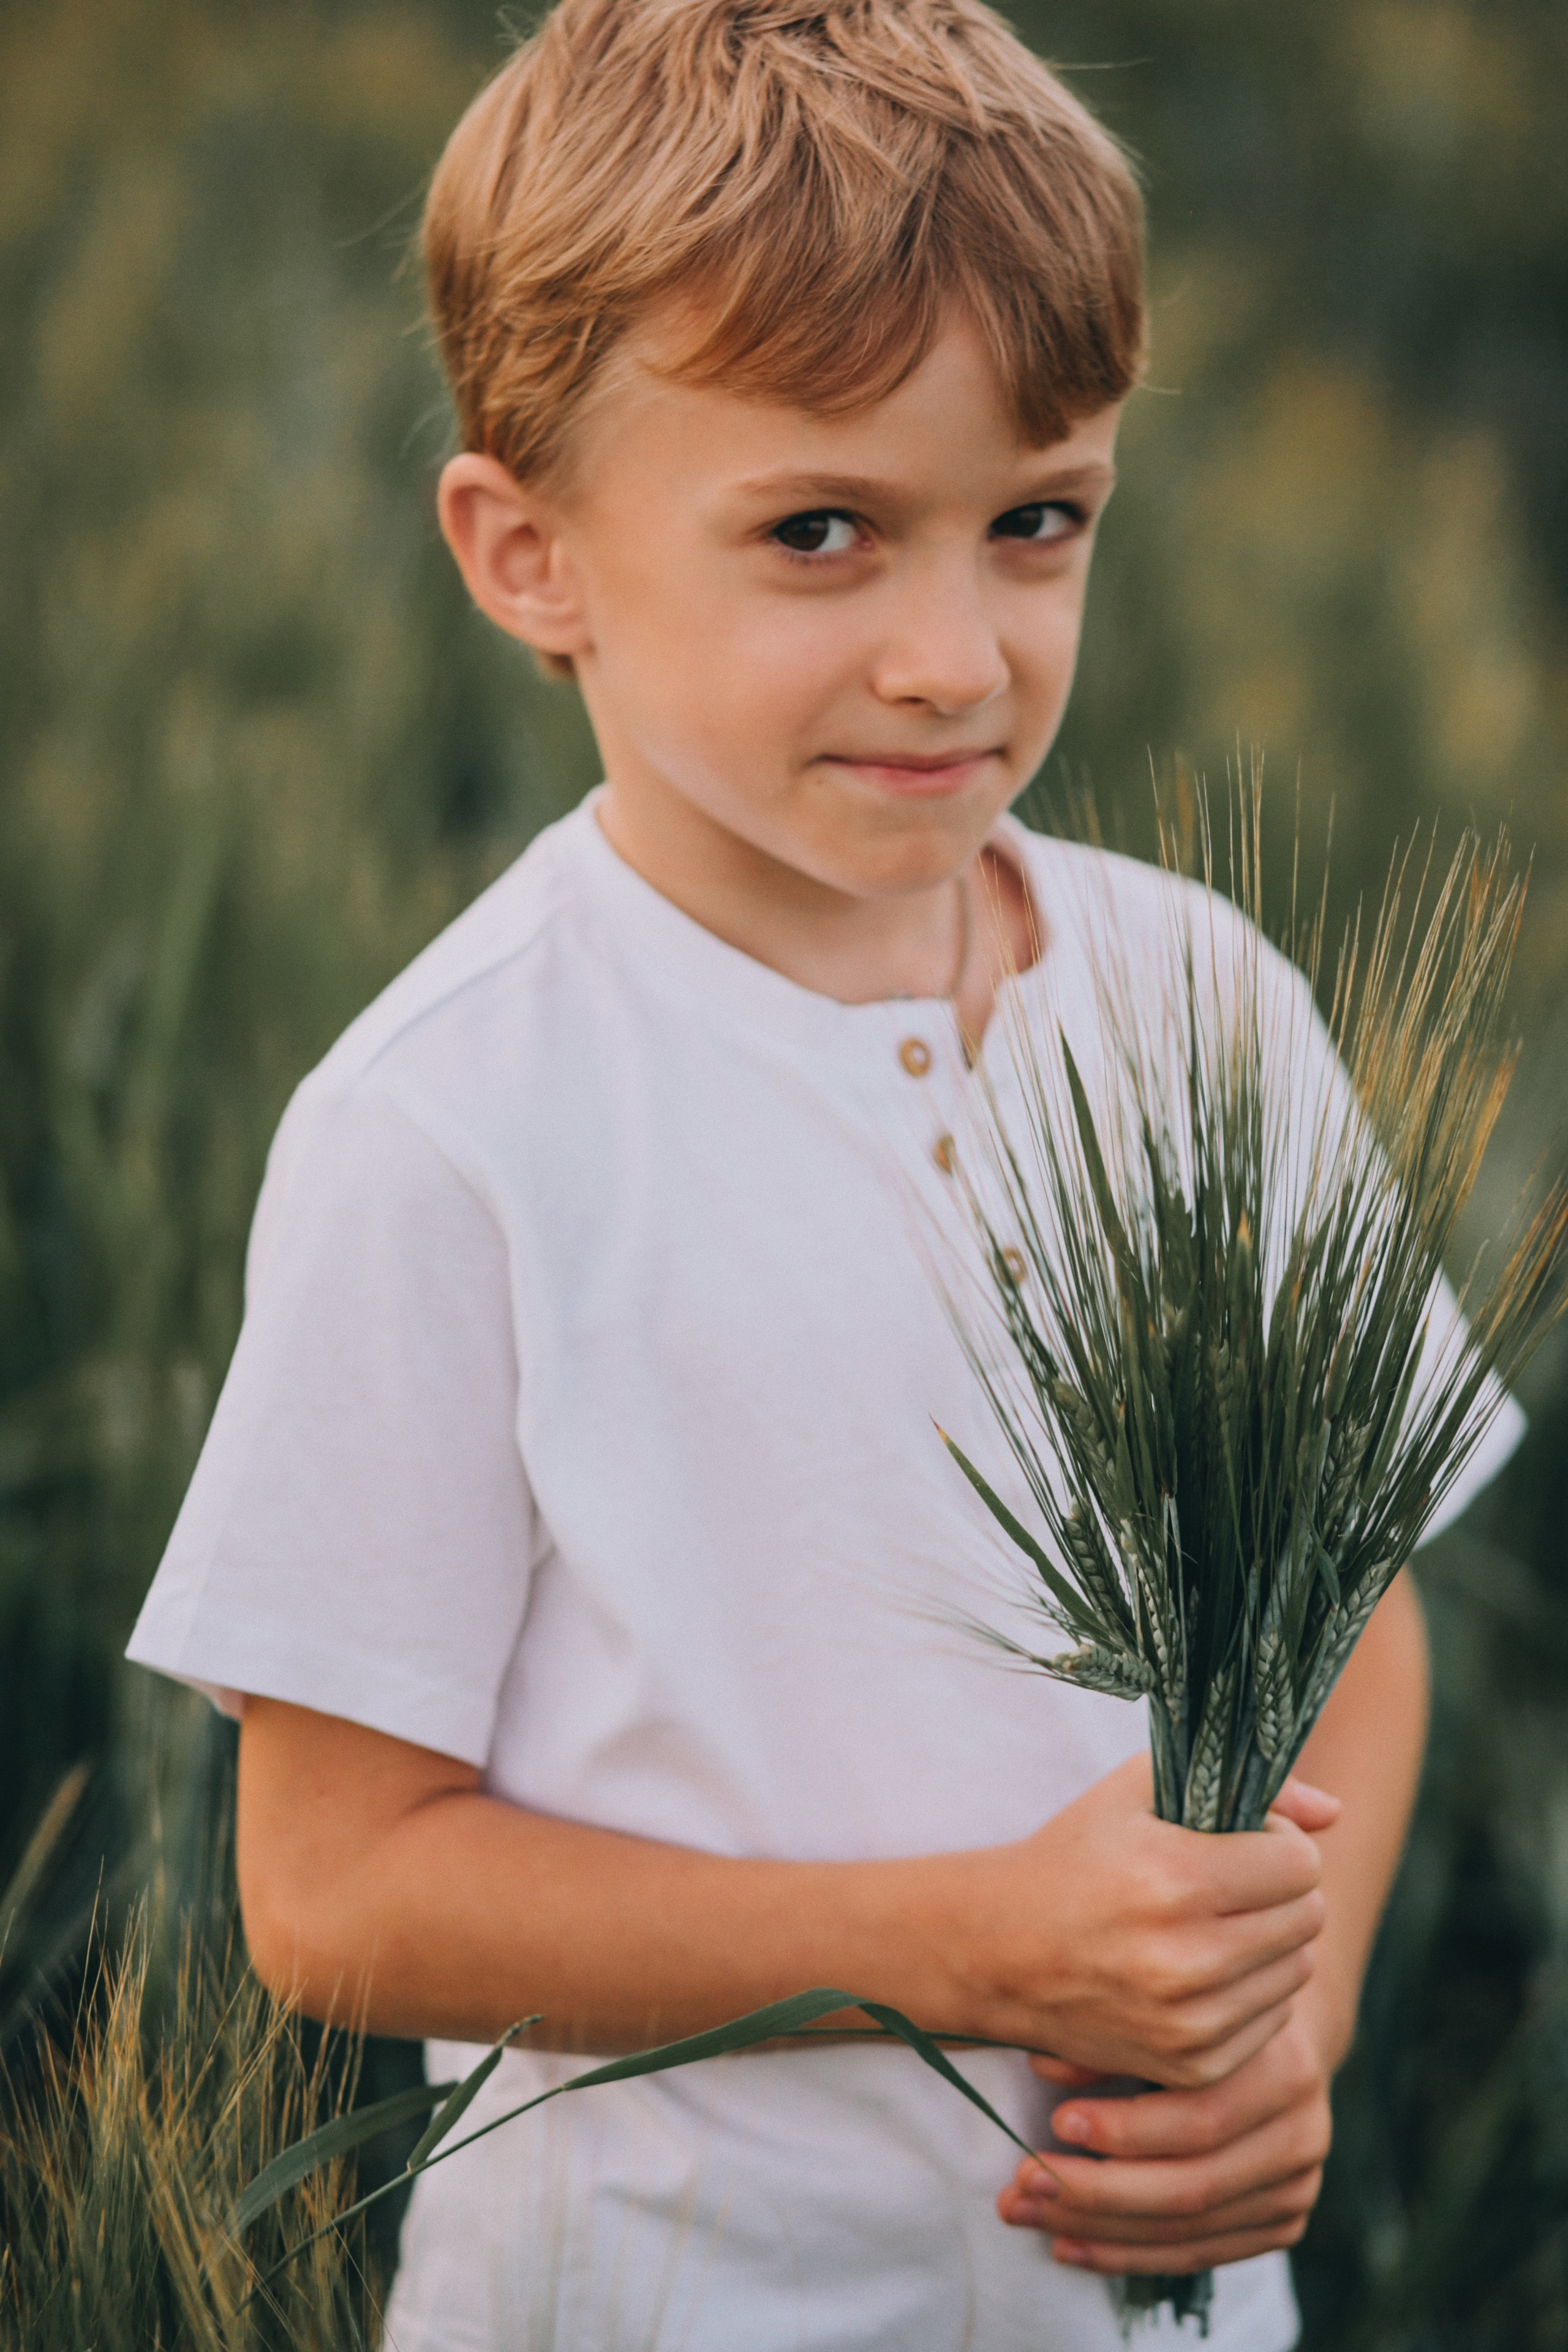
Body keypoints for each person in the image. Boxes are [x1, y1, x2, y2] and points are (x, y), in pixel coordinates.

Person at [126, 4, 1518, 2344]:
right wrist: (965, 1947)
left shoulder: (1203, 1005)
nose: (956, 657)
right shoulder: (452, 1124)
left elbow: (1349, 1619)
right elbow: (338, 1894)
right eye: (820, 533)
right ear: (528, 552)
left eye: (1036, 519)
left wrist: (1295, 2033)